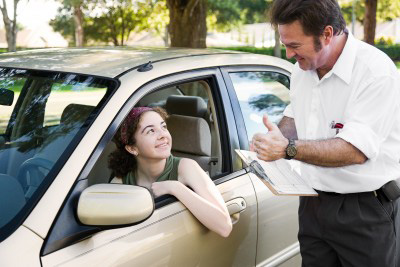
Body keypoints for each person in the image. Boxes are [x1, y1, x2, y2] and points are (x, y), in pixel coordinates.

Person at [251, 0, 400, 266]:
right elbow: (295, 115)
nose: (288, 55)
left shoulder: (375, 72)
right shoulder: (302, 69)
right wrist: (277, 136)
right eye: (285, 44)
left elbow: (355, 151)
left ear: (327, 34)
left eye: (294, 45)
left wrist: (287, 148)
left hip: (365, 210)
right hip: (313, 204)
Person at [108, 106, 232, 238]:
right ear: (132, 148)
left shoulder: (186, 167)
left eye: (164, 127)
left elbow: (224, 226)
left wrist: (175, 188)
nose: (163, 135)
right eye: (151, 131)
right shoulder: (120, 181)